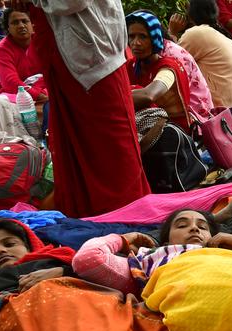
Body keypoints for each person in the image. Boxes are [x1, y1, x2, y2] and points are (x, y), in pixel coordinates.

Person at [19, 0, 150, 218]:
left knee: (114, 155)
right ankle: (86, 222)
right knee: (73, 146)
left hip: (94, 61)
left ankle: (128, 221)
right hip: (66, 55)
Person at [72, 209, 232, 296]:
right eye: (182, 225)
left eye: (203, 227)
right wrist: (123, 239)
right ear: (166, 240)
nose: (194, 229)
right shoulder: (149, 260)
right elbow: (87, 260)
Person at [176, 0, 232, 113]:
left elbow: (174, 61)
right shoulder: (216, 31)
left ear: (190, 14)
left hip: (226, 108)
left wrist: (172, 31)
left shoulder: (196, 33)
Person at [126, 10, 194, 128]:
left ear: (155, 39)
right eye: (131, 36)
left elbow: (149, 95)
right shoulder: (130, 65)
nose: (135, 43)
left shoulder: (168, 67)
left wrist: (110, 98)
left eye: (143, 37)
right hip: (147, 126)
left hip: (173, 132)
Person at [0, 8, 46, 99]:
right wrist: (39, 96)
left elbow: (55, 72)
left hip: (44, 88)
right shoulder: (2, 49)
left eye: (25, 21)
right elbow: (10, 83)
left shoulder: (42, 41)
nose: (21, 25)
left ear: (32, 24)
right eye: (15, 22)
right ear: (8, 28)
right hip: (19, 94)